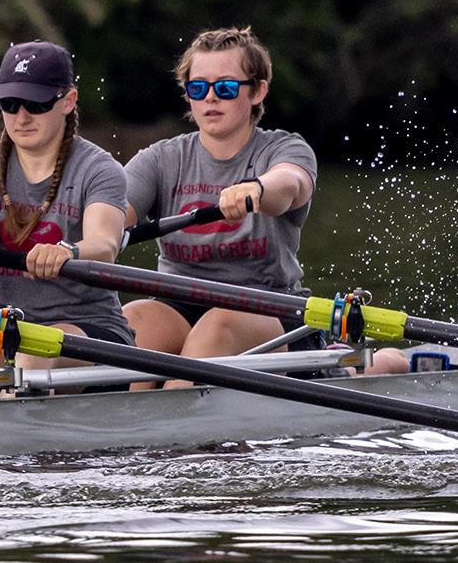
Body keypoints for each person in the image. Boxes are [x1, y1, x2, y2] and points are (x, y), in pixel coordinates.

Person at [123, 25, 395, 375]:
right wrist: (86, 236)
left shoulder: (284, 149)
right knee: (135, 319)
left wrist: (258, 189)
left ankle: (380, 364)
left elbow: (291, 184)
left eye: (225, 87)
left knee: (217, 327)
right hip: (180, 305)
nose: (210, 98)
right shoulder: (160, 160)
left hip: (270, 311)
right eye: (198, 87)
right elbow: (111, 213)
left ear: (257, 91)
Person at [0, 41, 132, 394]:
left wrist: (68, 251)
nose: (21, 117)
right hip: (4, 327)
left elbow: (104, 244)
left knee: (34, 350)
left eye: (36, 104)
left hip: (92, 332)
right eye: (10, 104)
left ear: (68, 101)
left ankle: (11, 419)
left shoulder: (99, 169)